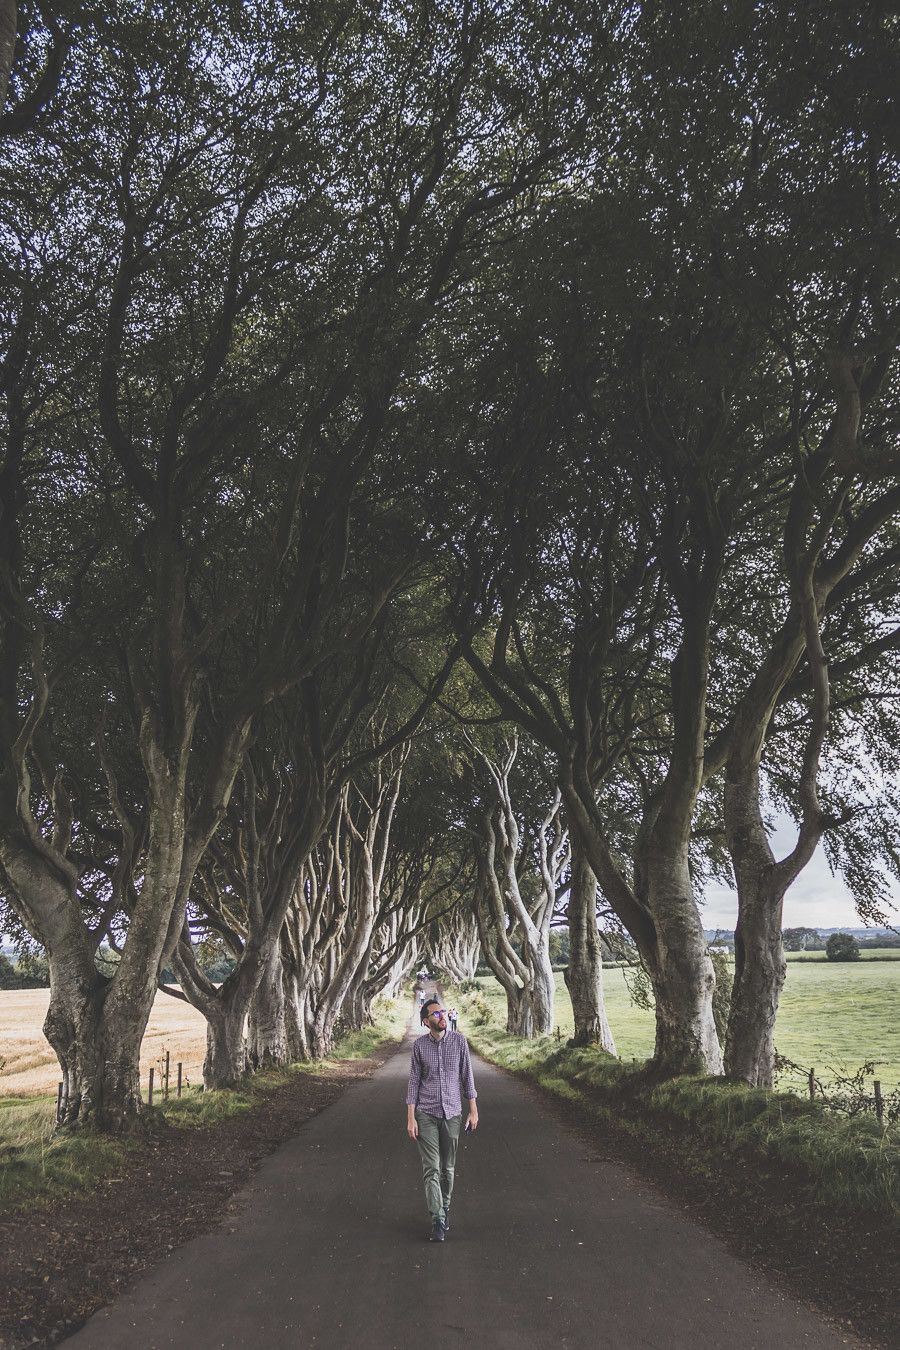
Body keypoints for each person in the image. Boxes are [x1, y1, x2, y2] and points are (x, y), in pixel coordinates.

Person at [406, 997, 478, 1243]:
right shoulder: (419, 1046)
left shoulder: (459, 1042)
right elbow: (414, 1082)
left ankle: (444, 1208)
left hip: (453, 1113)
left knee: (448, 1168)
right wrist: (411, 1118)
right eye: (436, 1014)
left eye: (443, 1012)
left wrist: (473, 1110)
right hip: (425, 1113)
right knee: (431, 1168)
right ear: (426, 1022)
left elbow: (467, 1077)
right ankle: (436, 1218)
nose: (442, 1016)